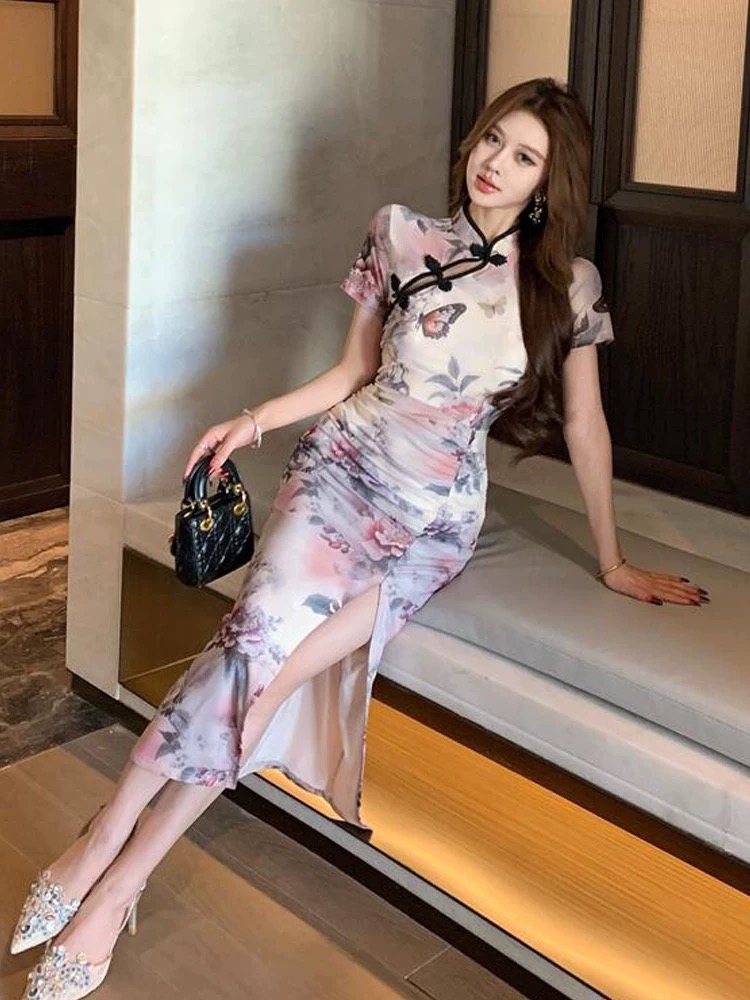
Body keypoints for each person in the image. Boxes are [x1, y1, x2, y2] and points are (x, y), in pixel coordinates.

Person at [12, 78, 708, 999]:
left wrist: (612, 560)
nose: (495, 164)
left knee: (269, 677)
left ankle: (115, 869)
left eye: (524, 157)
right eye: (492, 140)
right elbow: (350, 371)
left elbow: (586, 424)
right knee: (252, 650)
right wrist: (251, 423)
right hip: (339, 474)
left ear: (549, 184)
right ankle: (109, 856)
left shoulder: (568, 286)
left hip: (433, 524)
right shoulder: (400, 234)